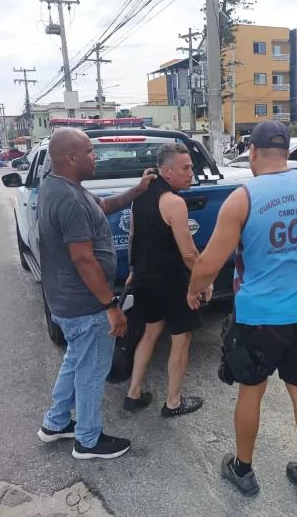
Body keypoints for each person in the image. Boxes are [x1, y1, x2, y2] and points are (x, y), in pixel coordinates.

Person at [186, 120, 297, 505]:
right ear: (286, 152)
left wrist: (194, 290)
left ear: (252, 152)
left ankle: (243, 469)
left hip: (259, 315)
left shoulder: (244, 197)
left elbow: (207, 264)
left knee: (252, 389)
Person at [36, 127, 156, 460]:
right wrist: (111, 306)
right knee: (91, 371)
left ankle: (56, 423)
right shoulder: (70, 198)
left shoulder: (61, 187)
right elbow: (83, 257)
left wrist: (137, 189)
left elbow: (103, 206)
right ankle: (88, 440)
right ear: (71, 157)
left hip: (67, 301)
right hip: (85, 305)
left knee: (76, 361)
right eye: (90, 151)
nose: (95, 156)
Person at [123, 143, 210, 418]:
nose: (191, 173)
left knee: (150, 334)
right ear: (165, 170)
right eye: (185, 168)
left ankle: (133, 394)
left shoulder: (142, 195)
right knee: (181, 338)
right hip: (171, 283)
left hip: (146, 279)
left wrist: (133, 271)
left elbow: (133, 237)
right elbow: (188, 252)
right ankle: (173, 402)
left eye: (192, 167)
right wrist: (203, 281)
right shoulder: (174, 202)